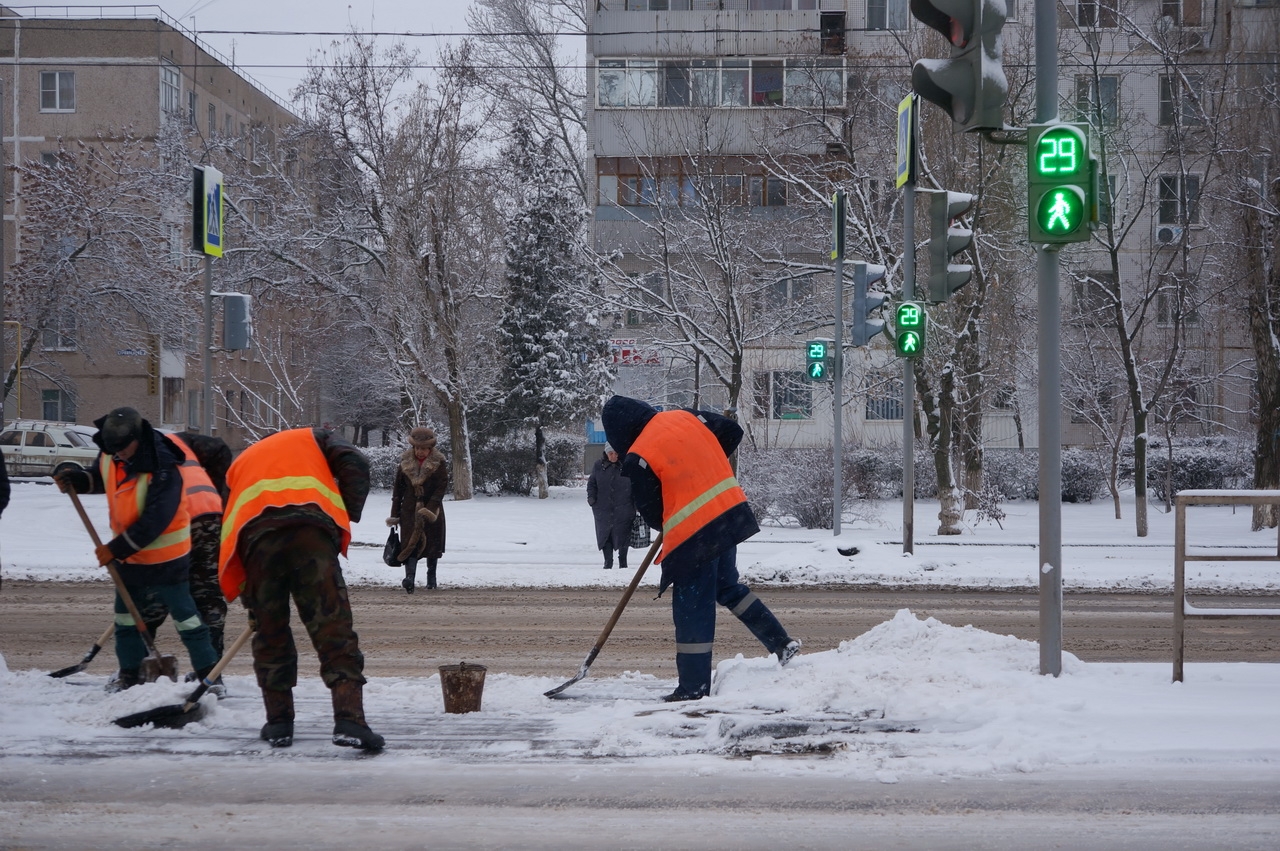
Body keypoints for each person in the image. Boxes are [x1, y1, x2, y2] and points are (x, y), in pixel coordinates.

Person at [601, 395, 801, 703]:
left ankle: (693, 687)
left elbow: (654, 513)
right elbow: (732, 431)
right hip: (728, 512)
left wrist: (681, 496)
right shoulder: (685, 417)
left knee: (692, 605)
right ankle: (781, 643)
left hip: (695, 534)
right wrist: (701, 467)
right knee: (728, 588)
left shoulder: (639, 455)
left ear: (620, 433)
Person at [219, 426, 383, 750]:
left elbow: (225, 524)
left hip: (255, 543)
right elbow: (356, 464)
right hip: (309, 534)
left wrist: (252, 601)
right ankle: (349, 720)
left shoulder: (242, 461)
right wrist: (346, 515)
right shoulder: (316, 437)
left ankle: (278, 723)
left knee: (270, 633)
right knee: (332, 627)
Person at [53, 407, 219, 692]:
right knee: (126, 620)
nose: (118, 455)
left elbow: (156, 520)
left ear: (138, 438)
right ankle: (129, 676)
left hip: (168, 558)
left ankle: (210, 678)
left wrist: (115, 548)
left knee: (188, 620)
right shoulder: (111, 451)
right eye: (112, 450)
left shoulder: (164, 465)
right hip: (129, 558)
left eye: (123, 449)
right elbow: (101, 478)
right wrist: (77, 480)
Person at [137, 431, 231, 660]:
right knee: (207, 593)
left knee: (156, 593)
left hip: (173, 522)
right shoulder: (179, 440)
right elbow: (220, 449)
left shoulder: (124, 457)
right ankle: (211, 670)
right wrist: (216, 490)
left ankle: (136, 664)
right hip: (209, 516)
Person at [387, 427, 448, 593]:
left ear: (430, 448)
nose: (420, 452)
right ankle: (410, 578)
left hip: (432, 510)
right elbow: (397, 492)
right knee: (409, 543)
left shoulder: (439, 463)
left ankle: (431, 578)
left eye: (424, 448)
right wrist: (394, 515)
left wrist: (430, 509)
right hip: (409, 510)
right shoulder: (405, 463)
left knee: (432, 545)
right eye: (417, 448)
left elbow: (441, 488)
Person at [586, 442, 635, 570]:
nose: (613, 456)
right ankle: (608, 563)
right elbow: (592, 484)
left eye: (616, 453)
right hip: (603, 509)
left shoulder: (627, 465)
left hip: (624, 508)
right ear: (606, 453)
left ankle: (623, 563)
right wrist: (592, 499)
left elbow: (636, 484)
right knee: (605, 536)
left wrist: (635, 502)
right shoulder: (598, 466)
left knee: (623, 535)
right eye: (610, 453)